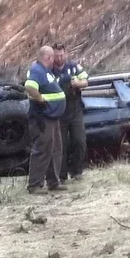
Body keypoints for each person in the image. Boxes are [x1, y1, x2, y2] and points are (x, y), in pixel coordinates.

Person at [23, 44, 65, 193]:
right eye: (53, 57)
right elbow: (30, 86)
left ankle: (53, 182)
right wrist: (40, 99)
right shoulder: (37, 70)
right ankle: (34, 185)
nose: (54, 60)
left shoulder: (45, 71)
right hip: (42, 117)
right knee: (42, 149)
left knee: (54, 149)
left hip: (52, 117)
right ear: (49, 57)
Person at [54, 43, 89, 182]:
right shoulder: (49, 70)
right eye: (57, 56)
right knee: (60, 145)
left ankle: (76, 171)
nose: (59, 58)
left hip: (75, 109)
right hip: (58, 111)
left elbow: (86, 81)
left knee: (79, 140)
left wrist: (77, 83)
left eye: (61, 55)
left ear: (65, 54)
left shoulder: (73, 67)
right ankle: (61, 175)